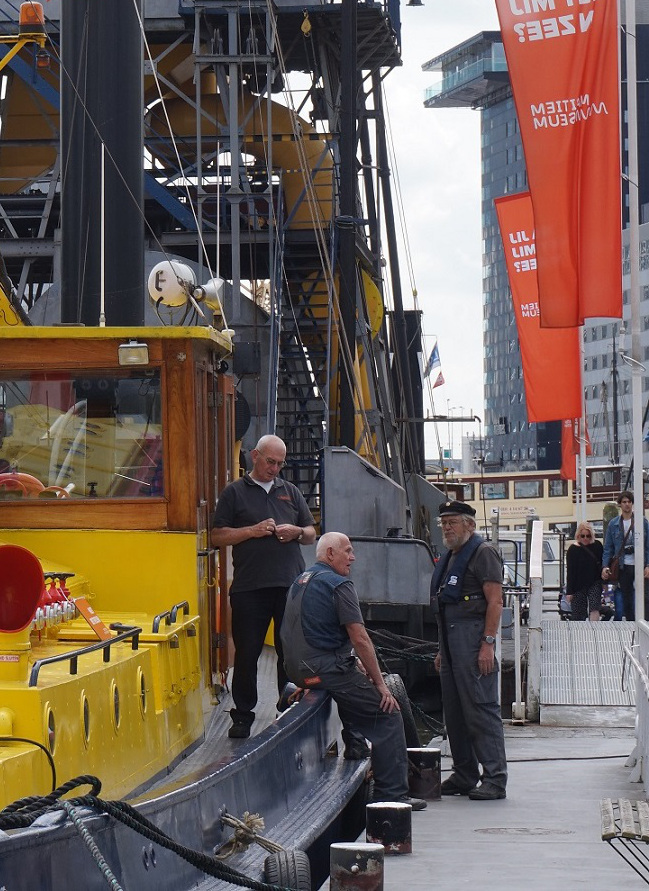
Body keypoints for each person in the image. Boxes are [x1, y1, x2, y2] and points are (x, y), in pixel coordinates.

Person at [280, 531, 427, 810]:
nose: (353, 557)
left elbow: (298, 630)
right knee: (388, 715)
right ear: (330, 554)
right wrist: (381, 686)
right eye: (347, 551)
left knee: (352, 681)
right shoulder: (339, 584)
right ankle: (392, 795)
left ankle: (356, 746)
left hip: (299, 671)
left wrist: (308, 674)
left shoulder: (300, 581)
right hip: (325, 669)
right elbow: (360, 638)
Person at [211, 434, 316, 738]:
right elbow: (217, 536)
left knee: (289, 652)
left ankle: (288, 708)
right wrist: (252, 531)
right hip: (250, 587)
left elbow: (311, 532)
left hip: (289, 586)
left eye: (280, 464)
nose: (275, 468)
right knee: (247, 653)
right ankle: (243, 715)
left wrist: (296, 531)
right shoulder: (234, 492)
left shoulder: (290, 491)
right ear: (255, 456)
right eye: (271, 461)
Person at [431, 501, 507, 801]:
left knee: (481, 709)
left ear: (470, 525)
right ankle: (464, 774)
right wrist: (442, 650)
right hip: (451, 641)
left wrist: (488, 643)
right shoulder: (451, 556)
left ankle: (495, 779)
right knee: (454, 712)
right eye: (444, 522)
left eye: (453, 522)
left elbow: (495, 601)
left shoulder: (483, 553)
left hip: (473, 638)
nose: (447, 528)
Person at [601, 490, 649, 621]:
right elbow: (608, 547)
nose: (627, 504)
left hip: (640, 563)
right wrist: (605, 566)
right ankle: (631, 624)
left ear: (632, 504)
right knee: (626, 597)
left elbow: (647, 546)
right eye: (624, 502)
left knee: (644, 596)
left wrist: (647, 565)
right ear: (620, 504)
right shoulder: (613, 524)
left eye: (629, 502)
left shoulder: (642, 522)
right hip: (623, 565)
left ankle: (645, 624)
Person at [565, 522, 603, 622]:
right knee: (578, 612)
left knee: (595, 607)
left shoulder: (597, 546)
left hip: (594, 581)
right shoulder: (573, 549)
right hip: (578, 584)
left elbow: (602, 563)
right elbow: (570, 571)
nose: (585, 538)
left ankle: (594, 628)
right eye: (583, 536)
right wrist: (569, 591)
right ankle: (580, 630)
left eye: (588, 536)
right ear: (578, 536)